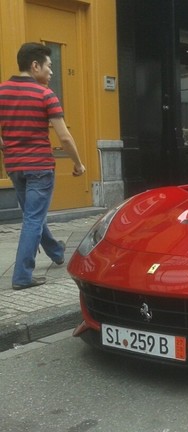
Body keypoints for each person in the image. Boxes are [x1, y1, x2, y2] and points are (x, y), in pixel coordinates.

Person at [0, 42, 85, 290]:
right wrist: (78, 164)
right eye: (49, 66)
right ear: (34, 65)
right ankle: (22, 276)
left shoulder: (2, 91)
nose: (51, 72)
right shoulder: (45, 94)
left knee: (32, 215)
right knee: (33, 220)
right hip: (39, 166)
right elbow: (65, 136)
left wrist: (6, 146)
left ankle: (56, 251)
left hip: (14, 167)